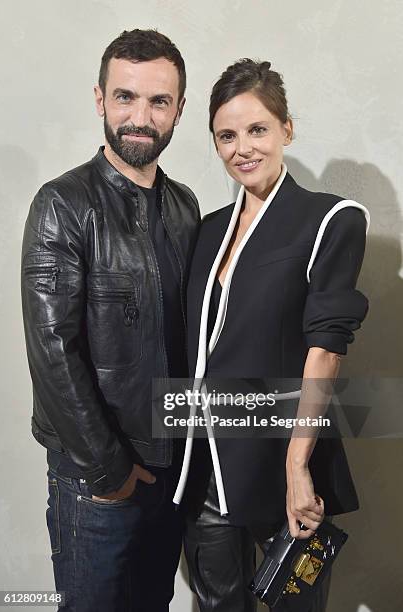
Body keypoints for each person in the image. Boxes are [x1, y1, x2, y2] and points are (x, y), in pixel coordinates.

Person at [172, 59, 370, 611]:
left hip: (284, 466)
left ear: (287, 128)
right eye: (226, 136)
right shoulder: (206, 231)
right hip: (206, 470)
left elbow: (325, 350)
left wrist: (296, 466)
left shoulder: (331, 220)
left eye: (257, 129)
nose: (243, 148)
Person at [21, 29, 200, 612]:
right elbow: (53, 350)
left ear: (179, 108)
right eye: (125, 97)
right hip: (96, 478)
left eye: (158, 101)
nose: (140, 117)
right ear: (99, 99)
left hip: (173, 468)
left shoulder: (185, 205)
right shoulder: (62, 204)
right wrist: (109, 470)